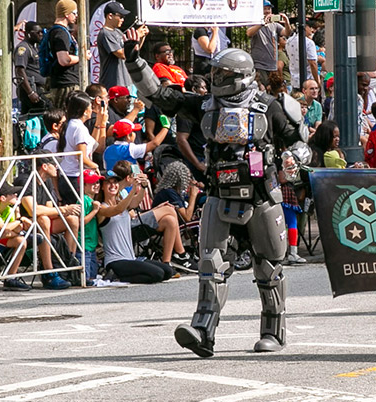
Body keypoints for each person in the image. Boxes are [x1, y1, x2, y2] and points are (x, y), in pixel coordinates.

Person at [127, 42, 310, 354]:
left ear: (240, 75)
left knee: (269, 267)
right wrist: (134, 61)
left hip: (260, 195)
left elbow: (300, 142)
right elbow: (161, 96)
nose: (215, 77)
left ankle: (274, 330)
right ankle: (203, 330)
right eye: (214, 72)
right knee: (211, 264)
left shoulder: (268, 105)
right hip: (219, 192)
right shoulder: (205, 105)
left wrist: (292, 161)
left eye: (222, 73)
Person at [98, 1, 145, 91]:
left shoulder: (118, 32)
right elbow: (122, 54)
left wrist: (140, 38)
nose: (123, 19)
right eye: (121, 16)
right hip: (113, 82)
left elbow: (133, 51)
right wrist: (136, 36)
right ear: (110, 16)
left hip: (126, 81)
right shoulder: (105, 33)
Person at [47, 0, 82, 110]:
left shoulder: (56, 31)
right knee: (66, 116)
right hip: (66, 84)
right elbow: (64, 60)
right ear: (67, 14)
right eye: (74, 13)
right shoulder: (61, 33)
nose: (76, 16)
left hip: (63, 82)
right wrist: (82, 57)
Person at [247, 2, 289, 87]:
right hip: (260, 66)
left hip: (273, 66)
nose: (267, 11)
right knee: (262, 92)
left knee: (273, 91)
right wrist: (262, 23)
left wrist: (286, 22)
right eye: (264, 9)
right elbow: (249, 33)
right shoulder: (254, 23)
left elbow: (287, 33)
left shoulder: (275, 25)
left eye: (268, 9)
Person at [103, 119, 168, 174]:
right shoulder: (130, 149)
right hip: (129, 187)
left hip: (113, 185)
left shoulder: (107, 150)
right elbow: (154, 143)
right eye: (133, 132)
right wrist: (165, 128)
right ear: (128, 136)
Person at [14, 21, 47, 115]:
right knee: (44, 110)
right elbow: (20, 71)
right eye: (37, 32)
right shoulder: (23, 48)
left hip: (38, 88)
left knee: (30, 117)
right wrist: (30, 92)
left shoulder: (34, 48)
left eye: (41, 32)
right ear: (28, 34)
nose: (40, 34)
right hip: (30, 89)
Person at [286, 19, 319, 89]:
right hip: (308, 82)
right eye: (311, 27)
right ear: (306, 27)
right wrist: (317, 82)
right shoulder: (309, 43)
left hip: (294, 81)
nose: (312, 31)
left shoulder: (289, 41)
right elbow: (313, 63)